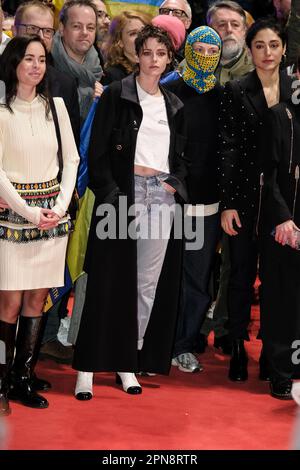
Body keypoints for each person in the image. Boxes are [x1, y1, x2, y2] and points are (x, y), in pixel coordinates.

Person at [72, 24, 188, 399]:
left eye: (161, 53)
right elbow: (97, 153)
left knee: (145, 286)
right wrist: (111, 194)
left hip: (160, 197)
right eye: (147, 52)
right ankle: (87, 366)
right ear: (137, 56)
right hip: (122, 195)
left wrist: (176, 183)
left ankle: (128, 360)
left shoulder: (174, 104)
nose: (154, 60)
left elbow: (181, 156)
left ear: (170, 58)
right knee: (106, 280)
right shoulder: (116, 95)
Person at [0, 35, 79, 416]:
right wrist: (31, 212)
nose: (35, 65)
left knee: (36, 300)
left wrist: (60, 208)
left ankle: (23, 378)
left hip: (52, 218)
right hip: (13, 220)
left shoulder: (56, 106)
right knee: (10, 303)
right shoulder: (1, 110)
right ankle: (0, 381)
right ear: (13, 63)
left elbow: (73, 161)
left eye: (41, 59)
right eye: (28, 58)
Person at [219, 18, 292, 382]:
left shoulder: (295, 89)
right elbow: (229, 148)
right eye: (260, 46)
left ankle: (271, 350)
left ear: (284, 49)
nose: (267, 53)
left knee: (278, 280)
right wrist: (228, 203)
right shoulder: (237, 89)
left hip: (284, 202)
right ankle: (235, 345)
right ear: (250, 50)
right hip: (245, 197)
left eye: (274, 45)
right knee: (241, 275)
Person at [167, 26, 222, 372]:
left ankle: (183, 343)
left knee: (197, 279)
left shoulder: (224, 95)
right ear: (186, 49)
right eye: (196, 48)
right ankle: (154, 342)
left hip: (206, 205)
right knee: (158, 275)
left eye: (209, 50)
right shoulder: (168, 88)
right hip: (164, 200)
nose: (203, 55)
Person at [259, 95, 300, 399]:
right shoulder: (279, 115)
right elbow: (267, 174)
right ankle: (280, 372)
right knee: (281, 301)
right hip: (284, 224)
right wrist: (283, 218)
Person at [102, 10, 151, 85]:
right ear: (120, 41)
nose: (141, 37)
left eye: (144, 31)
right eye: (133, 33)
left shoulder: (156, 69)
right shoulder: (111, 76)